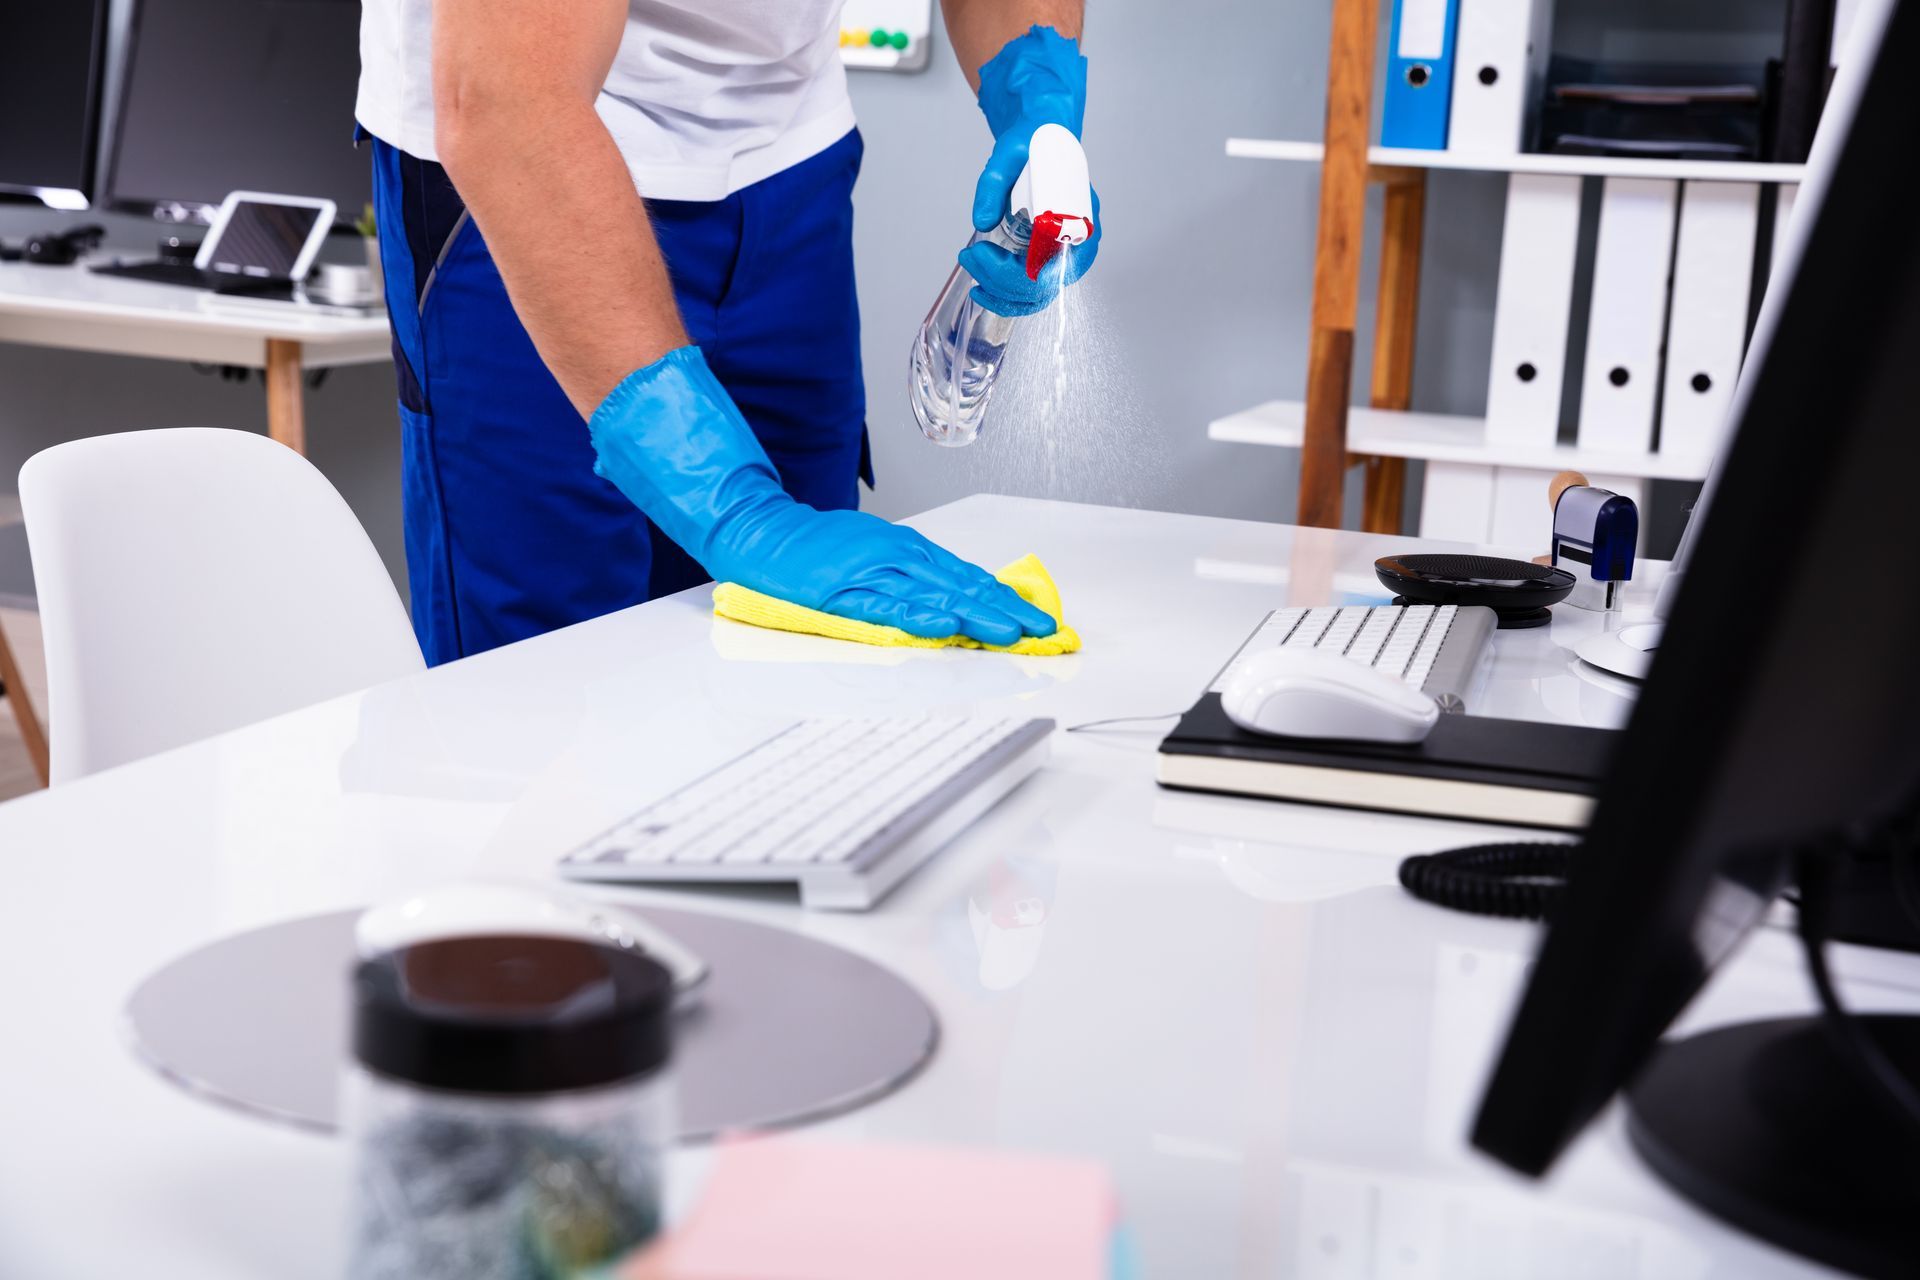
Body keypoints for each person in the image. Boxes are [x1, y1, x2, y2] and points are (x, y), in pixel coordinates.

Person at [355, 1, 1101, 666]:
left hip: (786, 157)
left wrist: (1037, 93)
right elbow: (507, 103)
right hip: (529, 151)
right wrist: (738, 511)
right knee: (545, 686)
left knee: (800, 658)